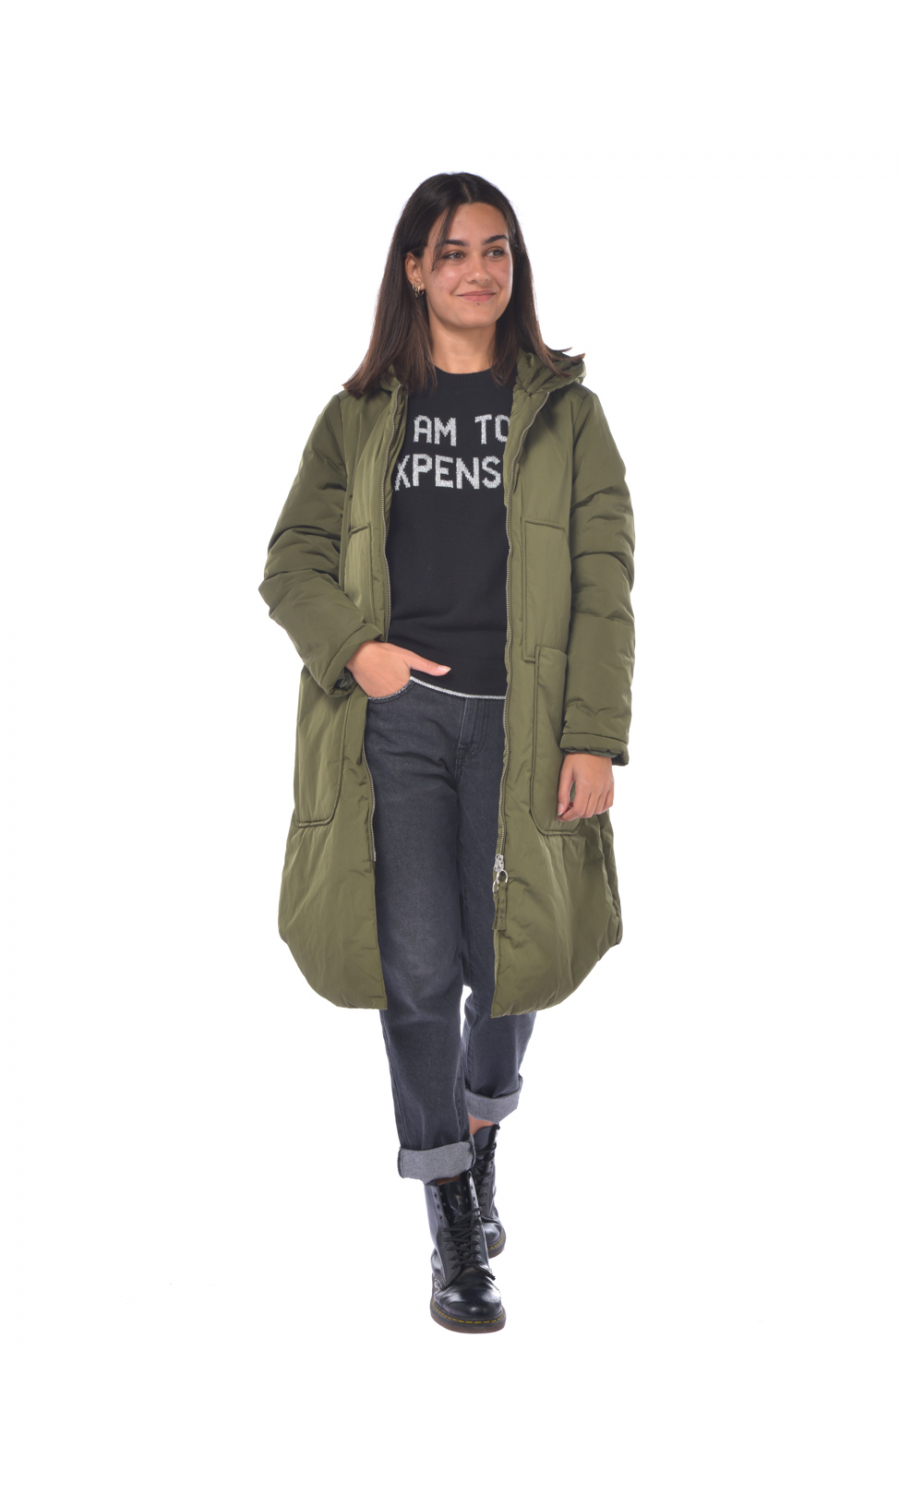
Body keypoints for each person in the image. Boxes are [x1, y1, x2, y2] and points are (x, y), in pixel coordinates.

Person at [259, 171, 635, 1334]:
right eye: (455, 251)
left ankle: (482, 1113)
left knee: (513, 961)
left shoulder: (568, 414)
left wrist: (593, 735)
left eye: (497, 250)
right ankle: (452, 1219)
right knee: (419, 968)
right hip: (401, 727)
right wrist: (357, 653)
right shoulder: (359, 415)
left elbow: (604, 583)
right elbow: (291, 562)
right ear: (414, 271)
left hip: (524, 722)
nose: (479, 270)